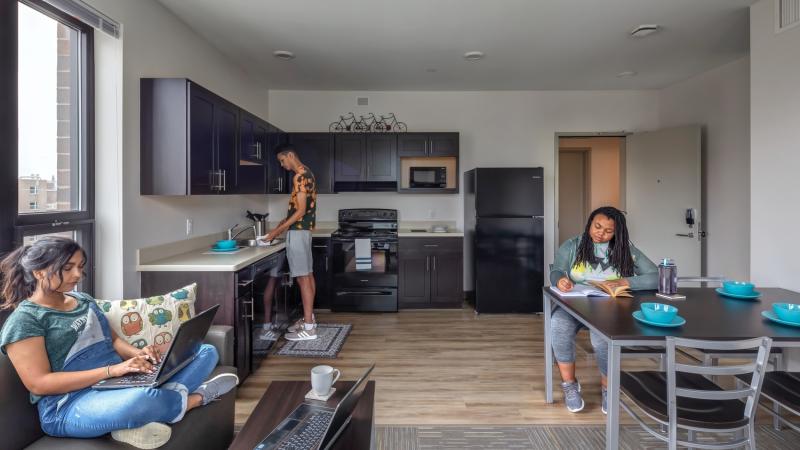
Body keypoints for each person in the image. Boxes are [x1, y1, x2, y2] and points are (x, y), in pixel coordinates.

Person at [0, 237, 239, 449]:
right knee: (140, 400)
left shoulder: (82, 299)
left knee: (205, 351)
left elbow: (112, 339)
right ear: (39, 272)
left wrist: (140, 355)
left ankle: (143, 413)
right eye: (67, 268)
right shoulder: (25, 320)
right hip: (69, 405)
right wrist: (112, 370)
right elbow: (40, 384)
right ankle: (194, 399)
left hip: (118, 384)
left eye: (80, 267)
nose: (77, 275)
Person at [550, 206, 657, 414]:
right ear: (590, 223)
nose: (601, 233)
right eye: (597, 226)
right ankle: (569, 384)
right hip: (575, 305)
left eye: (608, 231)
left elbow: (655, 276)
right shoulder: (573, 245)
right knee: (558, 325)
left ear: (617, 232)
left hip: (610, 308)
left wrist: (626, 281)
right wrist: (561, 280)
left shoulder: (626, 250)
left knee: (602, 338)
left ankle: (609, 388)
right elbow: (556, 270)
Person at [263, 144, 319, 341]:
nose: (282, 164)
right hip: (303, 231)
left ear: (291, 155)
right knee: (308, 276)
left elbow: (301, 211)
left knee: (303, 278)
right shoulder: (308, 173)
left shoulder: (300, 176)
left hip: (298, 232)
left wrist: (277, 231)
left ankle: (310, 328)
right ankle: (308, 319)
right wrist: (282, 224)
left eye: (282, 160)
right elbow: (299, 209)